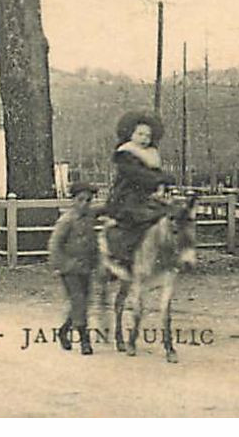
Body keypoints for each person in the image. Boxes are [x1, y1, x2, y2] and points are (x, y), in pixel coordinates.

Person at [103, 112, 175, 269]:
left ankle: (163, 254)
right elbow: (137, 175)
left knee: (172, 216)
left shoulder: (151, 154)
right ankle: (123, 256)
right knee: (136, 219)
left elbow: (155, 173)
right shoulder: (125, 154)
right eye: (140, 134)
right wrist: (159, 179)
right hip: (127, 195)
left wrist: (164, 180)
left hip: (146, 196)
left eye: (147, 135)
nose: (144, 138)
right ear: (130, 134)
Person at [47, 181, 99, 355]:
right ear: (73, 200)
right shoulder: (67, 220)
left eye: (88, 200)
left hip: (86, 267)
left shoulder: (90, 217)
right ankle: (85, 341)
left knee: (83, 302)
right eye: (81, 199)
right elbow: (55, 244)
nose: (84, 204)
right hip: (69, 268)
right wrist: (60, 265)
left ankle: (64, 330)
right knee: (78, 301)